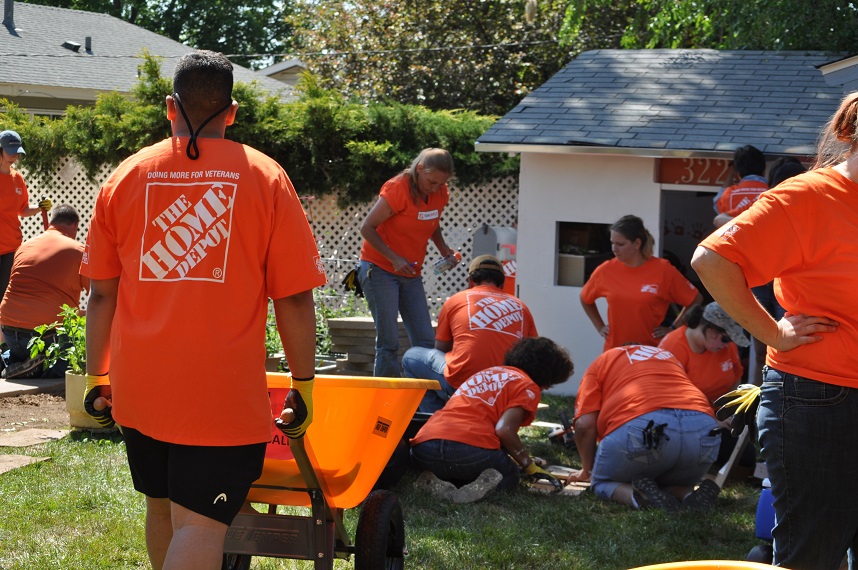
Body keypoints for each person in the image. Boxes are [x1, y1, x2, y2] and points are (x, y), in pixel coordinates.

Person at [80, 50, 327, 570]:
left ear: (170, 106)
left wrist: (95, 376)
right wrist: (302, 385)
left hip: (140, 390)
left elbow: (101, 294)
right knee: (202, 524)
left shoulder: (126, 175)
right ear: (232, 112)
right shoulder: (266, 176)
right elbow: (295, 297)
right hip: (221, 396)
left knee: (163, 508)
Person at [691, 93, 858, 570]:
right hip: (818, 400)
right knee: (813, 555)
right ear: (852, 136)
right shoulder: (808, 196)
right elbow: (713, 260)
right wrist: (773, 334)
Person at [410, 336, 573, 503]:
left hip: (424, 449)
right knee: (510, 473)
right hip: (467, 452)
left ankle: (434, 481)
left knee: (464, 466)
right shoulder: (527, 385)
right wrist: (528, 464)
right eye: (549, 384)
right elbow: (504, 430)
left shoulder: (487, 373)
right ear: (545, 375)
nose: (546, 388)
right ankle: (471, 488)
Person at [566, 344, 720, 511]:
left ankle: (642, 498)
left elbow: (584, 425)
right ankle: (689, 495)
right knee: (669, 482)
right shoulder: (668, 356)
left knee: (601, 481)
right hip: (704, 425)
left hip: (646, 424)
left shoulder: (603, 361)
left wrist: (587, 470)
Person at [357, 148, 457, 377]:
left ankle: (424, 401)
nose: (434, 188)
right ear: (419, 169)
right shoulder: (397, 189)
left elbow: (432, 219)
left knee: (425, 340)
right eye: (431, 182)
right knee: (389, 341)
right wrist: (394, 258)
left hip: (411, 273)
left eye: (440, 184)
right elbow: (367, 228)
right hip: (380, 269)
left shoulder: (441, 192)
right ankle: (385, 402)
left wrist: (443, 249)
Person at [401, 254, 538, 413]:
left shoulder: (456, 300)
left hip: (461, 387)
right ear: (502, 282)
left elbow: (441, 349)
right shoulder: (521, 307)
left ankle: (435, 420)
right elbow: (532, 355)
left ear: (470, 280)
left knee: (411, 357)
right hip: (505, 392)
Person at [580, 214, 702, 351]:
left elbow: (695, 299)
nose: (614, 249)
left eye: (620, 244)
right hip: (615, 351)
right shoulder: (605, 270)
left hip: (652, 351)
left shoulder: (663, 270)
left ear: (637, 243)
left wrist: (673, 328)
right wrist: (600, 327)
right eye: (612, 243)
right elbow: (585, 298)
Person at [0, 205, 89, 379]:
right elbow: (97, 298)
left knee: (20, 353)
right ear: (75, 226)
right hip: (44, 336)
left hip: (9, 331)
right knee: (76, 364)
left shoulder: (24, 247)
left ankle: (10, 361)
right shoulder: (79, 250)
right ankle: (39, 368)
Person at [747, 157, 806, 385]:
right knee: (767, 344)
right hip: (767, 279)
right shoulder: (768, 203)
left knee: (778, 344)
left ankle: (767, 391)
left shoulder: (805, 205)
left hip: (779, 280)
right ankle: (756, 395)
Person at [658, 302, 748, 405]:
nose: (727, 346)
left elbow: (737, 377)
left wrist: (731, 409)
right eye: (726, 339)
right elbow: (668, 396)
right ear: (711, 331)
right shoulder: (672, 348)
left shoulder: (726, 345)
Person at [0, 130, 52, 298]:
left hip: (11, 247)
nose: (14, 156)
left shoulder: (18, 179)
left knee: (6, 295)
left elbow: (22, 210)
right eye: (10, 152)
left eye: (17, 153)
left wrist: (40, 207)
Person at [712, 144, 768, 228]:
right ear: (764, 170)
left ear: (737, 173)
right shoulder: (773, 192)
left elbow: (717, 204)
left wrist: (731, 173)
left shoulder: (728, 194)